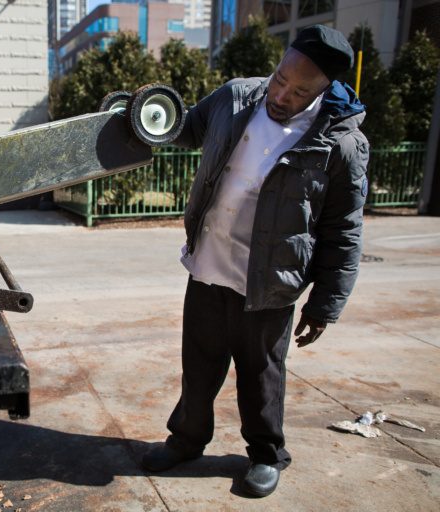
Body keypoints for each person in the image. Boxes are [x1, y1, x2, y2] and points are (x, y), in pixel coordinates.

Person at [141, 25, 369, 498]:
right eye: (280, 78)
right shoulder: (236, 98)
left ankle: (266, 454)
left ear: (325, 90)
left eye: (299, 90)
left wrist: (325, 304)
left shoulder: (340, 143)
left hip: (269, 283)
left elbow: (342, 231)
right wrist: (146, 113)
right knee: (198, 367)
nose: (282, 93)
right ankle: (186, 440)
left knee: (260, 374)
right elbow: (187, 128)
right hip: (209, 264)